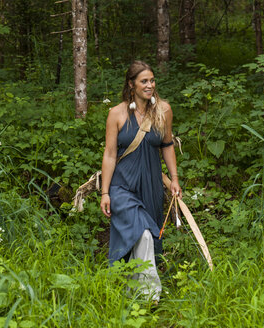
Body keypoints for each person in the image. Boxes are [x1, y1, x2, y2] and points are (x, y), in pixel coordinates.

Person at [100, 60, 182, 302]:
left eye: (152, 80)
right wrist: (105, 192)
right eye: (144, 81)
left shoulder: (163, 110)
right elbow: (110, 154)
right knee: (143, 233)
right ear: (131, 85)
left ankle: (130, 290)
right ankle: (149, 296)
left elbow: (167, 145)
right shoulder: (117, 113)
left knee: (148, 237)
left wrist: (174, 179)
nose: (150, 85)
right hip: (122, 184)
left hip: (152, 186)